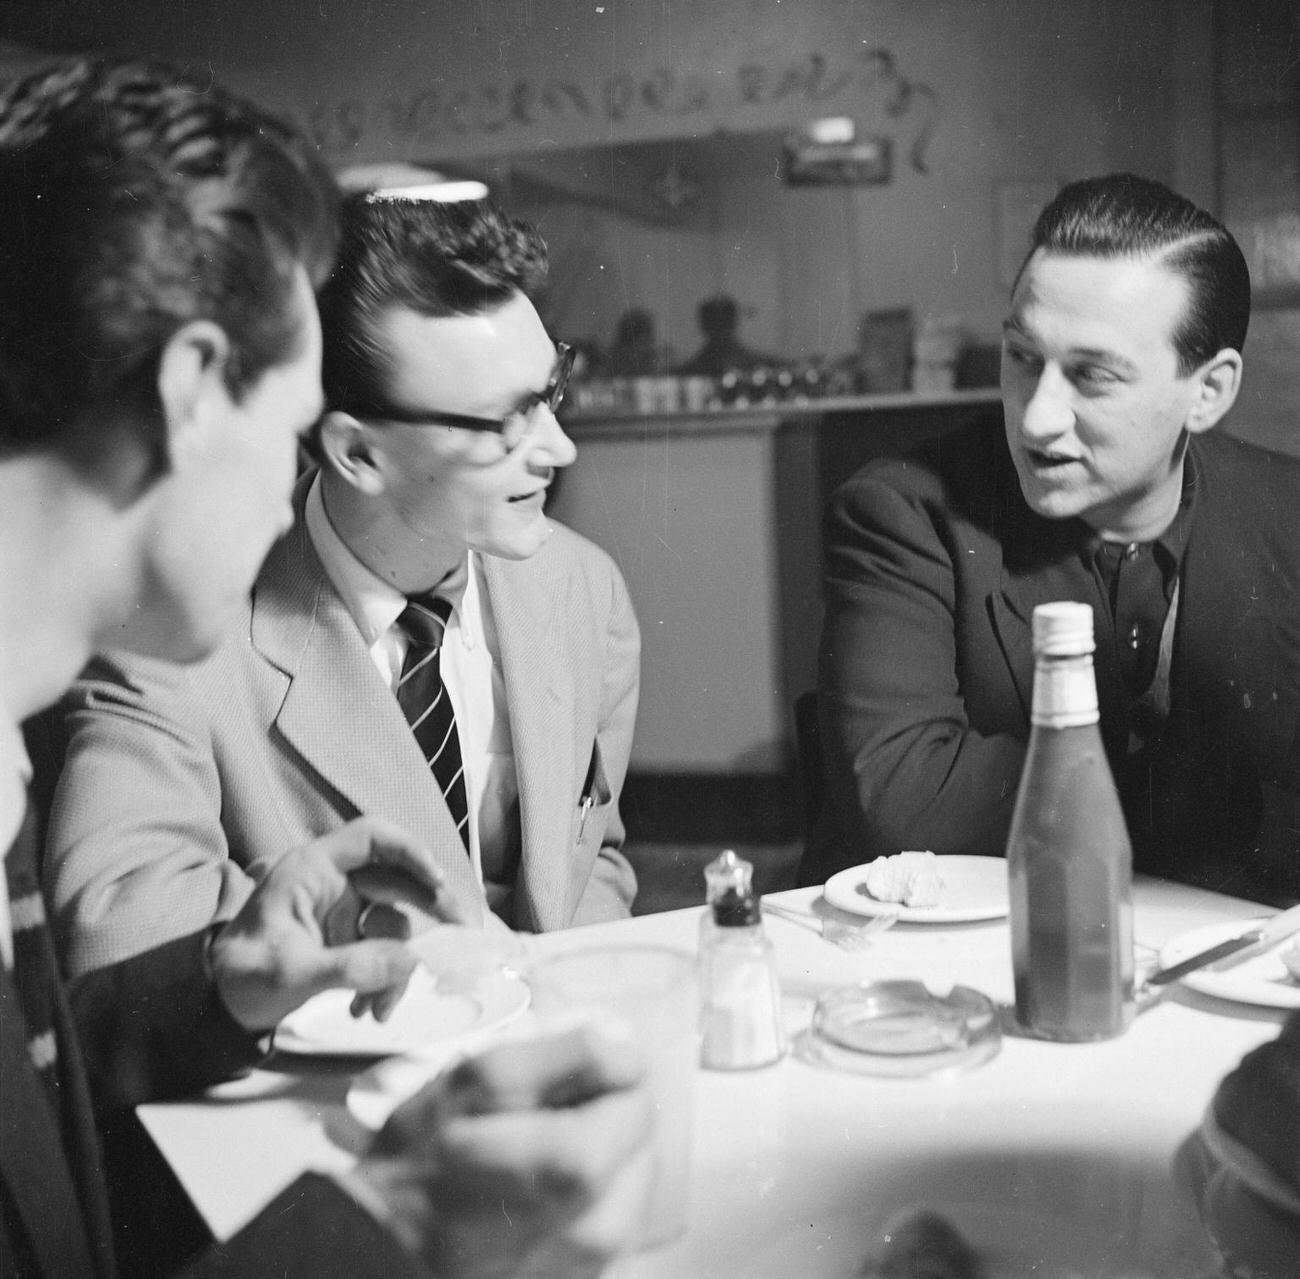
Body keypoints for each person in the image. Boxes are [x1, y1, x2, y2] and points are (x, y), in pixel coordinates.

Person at [0, 57, 652, 1279]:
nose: (284, 493)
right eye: (292, 418)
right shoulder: (166, 646)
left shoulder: (578, 590)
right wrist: (400, 1217)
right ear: (202, 396)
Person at [43, 190, 640, 977]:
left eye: (552, 391)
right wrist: (383, 929)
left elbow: (592, 859)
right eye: (506, 422)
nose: (560, 449)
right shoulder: (170, 630)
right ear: (357, 454)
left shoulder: (581, 588)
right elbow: (117, 924)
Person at [800, 173, 1300, 904]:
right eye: (1022, 358)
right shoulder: (901, 511)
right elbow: (905, 798)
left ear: (1210, 391)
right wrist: (1234, 805)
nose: (1036, 419)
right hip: (944, 963)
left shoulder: (1288, 513)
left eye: (1092, 376)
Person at [675, 293, 775, 377]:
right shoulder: (689, 370)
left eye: (723, 323)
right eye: (715, 323)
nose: (719, 331)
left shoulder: (759, 364)